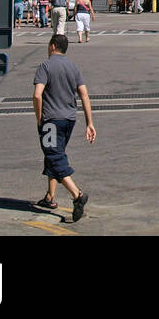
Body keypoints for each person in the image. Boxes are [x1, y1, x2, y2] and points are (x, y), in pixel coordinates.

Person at [32, 34, 96, 222]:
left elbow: (37, 95)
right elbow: (84, 95)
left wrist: (39, 119)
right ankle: (50, 197)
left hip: (51, 120)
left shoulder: (45, 66)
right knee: (55, 154)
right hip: (69, 119)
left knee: (54, 155)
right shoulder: (73, 67)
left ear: (52, 46)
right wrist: (89, 123)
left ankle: (77, 195)